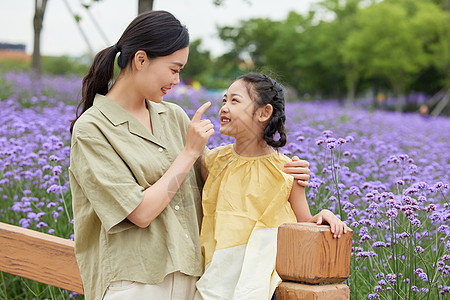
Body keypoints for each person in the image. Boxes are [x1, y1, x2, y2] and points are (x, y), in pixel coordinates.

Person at [69, 11, 311, 300]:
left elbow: (223, 185)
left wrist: (291, 185)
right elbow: (140, 213)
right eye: (174, 69)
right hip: (134, 284)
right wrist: (189, 153)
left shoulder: (173, 116)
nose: (177, 80)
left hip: (193, 282)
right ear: (141, 59)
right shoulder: (93, 128)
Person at [194, 73, 349, 300]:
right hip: (216, 276)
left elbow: (302, 223)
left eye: (234, 101)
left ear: (264, 113)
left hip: (262, 284)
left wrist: (323, 215)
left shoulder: (287, 171)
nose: (224, 107)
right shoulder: (213, 161)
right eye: (224, 101)